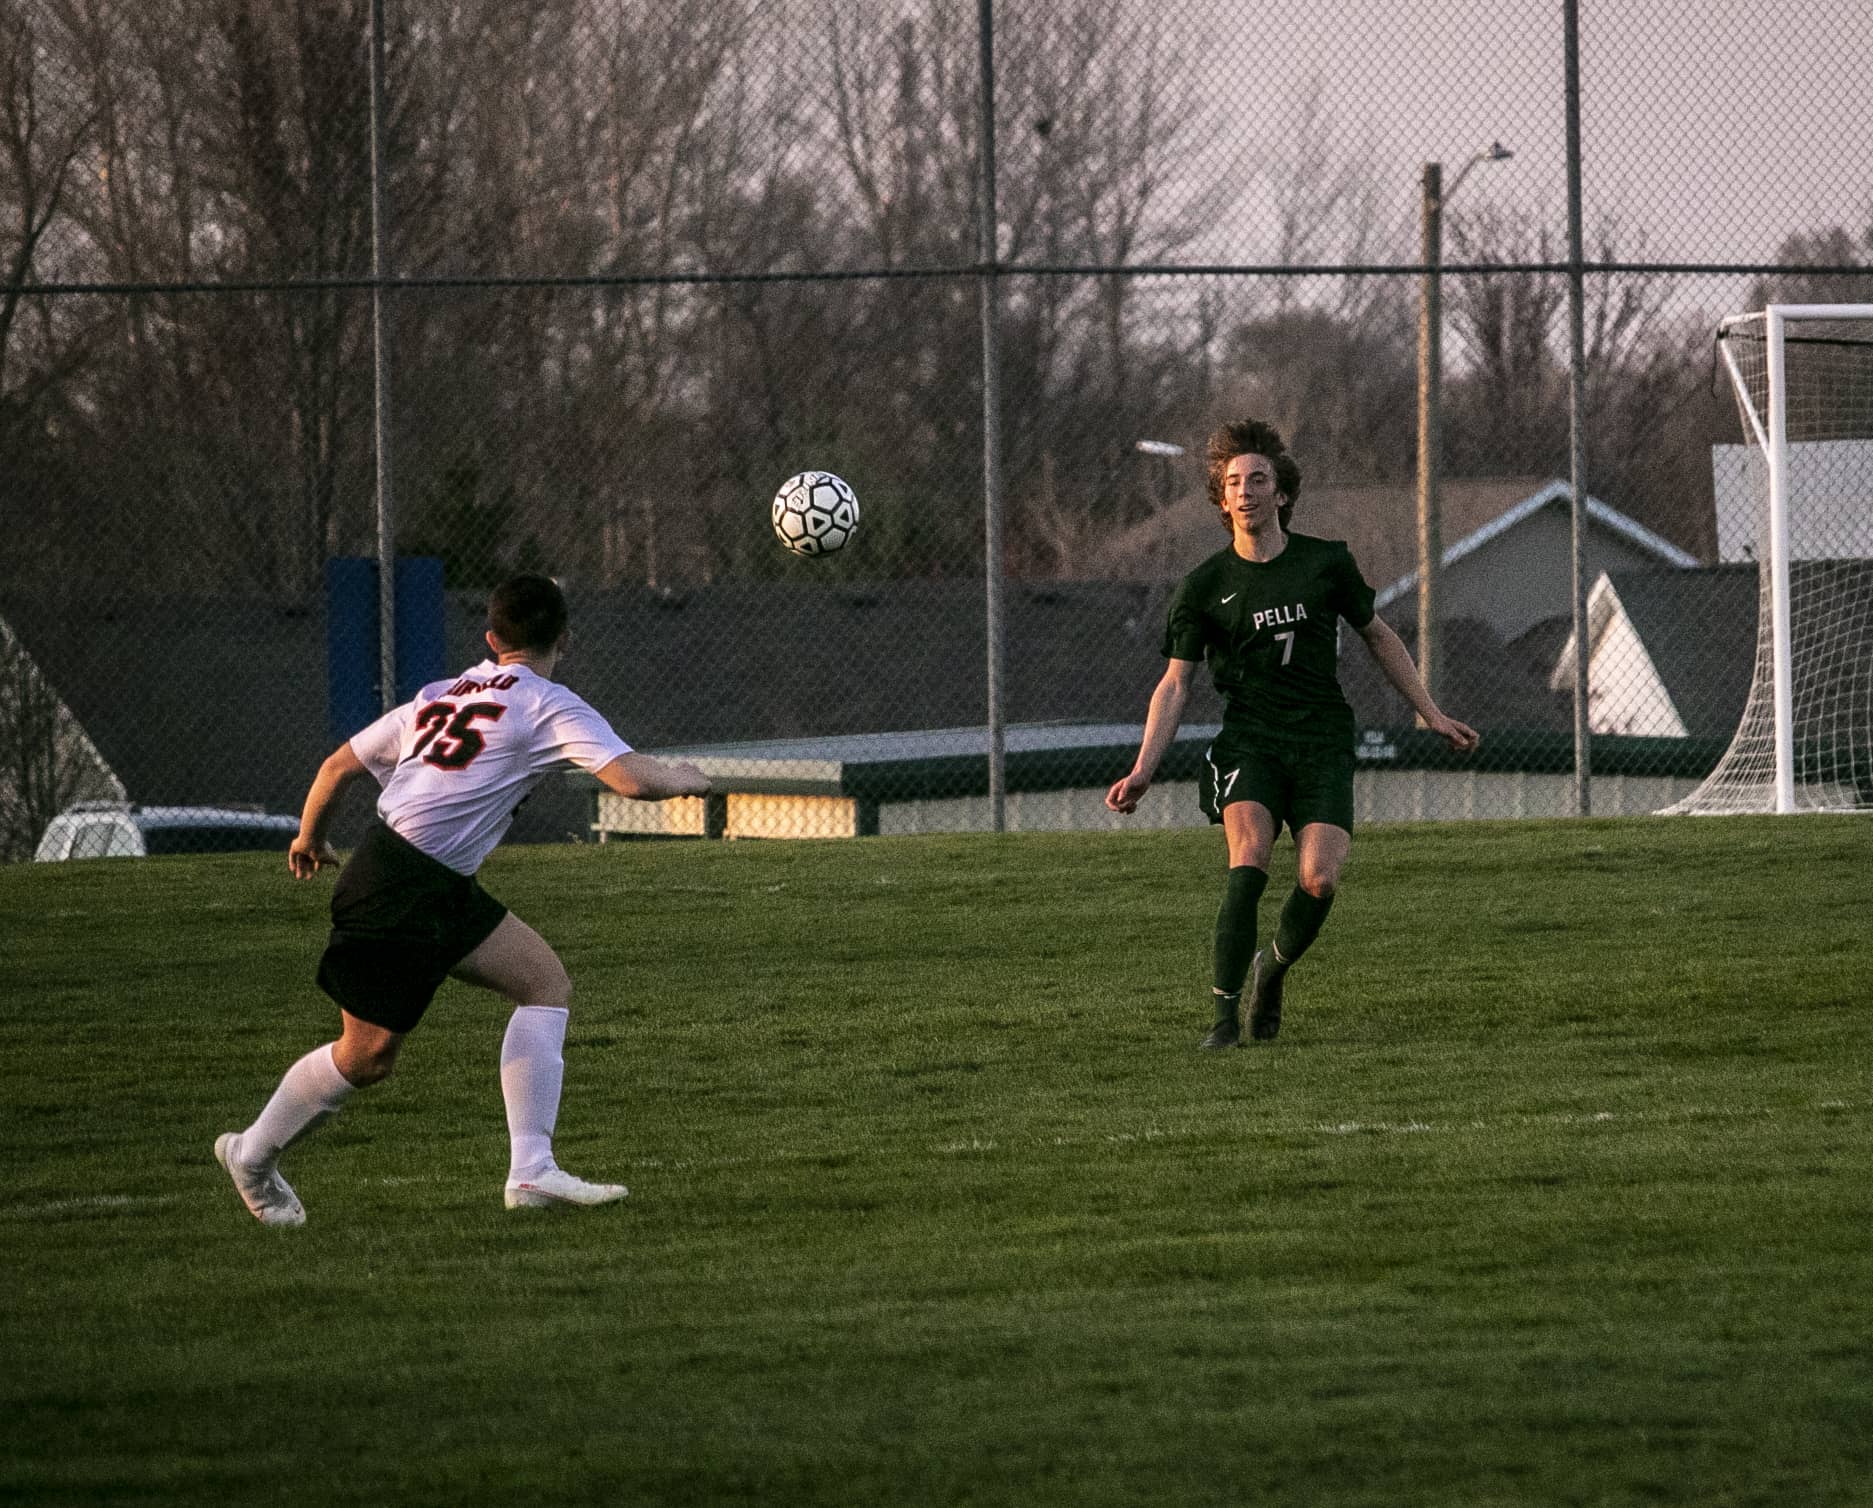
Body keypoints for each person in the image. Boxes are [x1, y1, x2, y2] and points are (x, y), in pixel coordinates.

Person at [215, 573, 711, 1225]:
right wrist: (685, 777)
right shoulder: (545, 702)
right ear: (565, 637)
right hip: (400, 888)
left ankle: (532, 1173)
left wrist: (310, 836)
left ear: (490, 638)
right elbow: (628, 779)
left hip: (418, 877)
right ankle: (252, 1154)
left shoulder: (438, 694)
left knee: (542, 982)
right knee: (366, 1059)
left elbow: (337, 766)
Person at [1106, 419, 1479, 1049]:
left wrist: (1430, 712)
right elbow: (1175, 684)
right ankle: (1223, 1022)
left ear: (1281, 494)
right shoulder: (1202, 588)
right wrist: (1144, 767)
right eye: (1233, 483)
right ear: (1221, 500)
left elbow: (1380, 636)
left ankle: (1271, 971)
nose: (1245, 490)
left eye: (1257, 479)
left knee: (1319, 880)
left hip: (1322, 741)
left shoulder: (1325, 563)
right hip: (1249, 741)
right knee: (1248, 860)